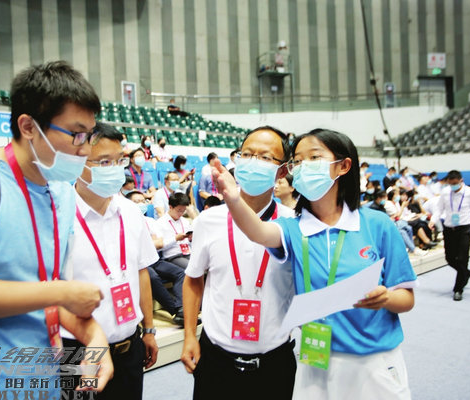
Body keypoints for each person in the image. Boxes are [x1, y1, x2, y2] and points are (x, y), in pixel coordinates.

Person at [0, 61, 113, 394]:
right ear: (28, 126)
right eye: (76, 135)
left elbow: (39, 293)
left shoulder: (60, 193)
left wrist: (92, 335)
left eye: (89, 136)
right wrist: (60, 292)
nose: (85, 149)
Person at [212, 128, 417, 399]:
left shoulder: (377, 224)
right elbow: (257, 231)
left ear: (343, 166)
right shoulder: (293, 227)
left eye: (314, 158)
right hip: (315, 359)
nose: (303, 166)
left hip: (372, 362)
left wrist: (386, 298)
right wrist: (233, 198)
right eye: (298, 161)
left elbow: (407, 298)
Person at [181, 126, 297, 400]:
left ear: (282, 170)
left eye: (265, 157)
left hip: (274, 363)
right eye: (247, 154)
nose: (254, 162)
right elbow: (193, 279)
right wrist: (189, 335)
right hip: (216, 359)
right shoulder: (209, 221)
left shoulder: (294, 223)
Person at [62, 123, 158, 399]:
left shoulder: (131, 212)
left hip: (130, 346)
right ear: (78, 162)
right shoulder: (59, 214)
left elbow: (141, 272)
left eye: (119, 161)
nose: (115, 169)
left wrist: (149, 329)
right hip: (78, 350)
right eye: (104, 162)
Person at [128, 190, 187, 326]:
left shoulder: (149, 221)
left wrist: (145, 243)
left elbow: (159, 243)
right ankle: (176, 311)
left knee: (180, 273)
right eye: (136, 201)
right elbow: (132, 247)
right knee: (153, 277)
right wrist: (150, 242)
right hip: (138, 262)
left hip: (154, 259)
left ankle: (181, 307)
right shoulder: (125, 223)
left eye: (143, 201)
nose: (141, 204)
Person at [431, 171, 470, 301]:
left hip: (464, 229)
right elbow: (439, 209)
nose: (453, 186)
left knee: (463, 258)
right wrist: (433, 220)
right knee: (450, 258)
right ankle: (466, 273)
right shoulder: (445, 192)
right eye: (450, 184)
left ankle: (458, 289)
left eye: (455, 184)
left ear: (461, 181)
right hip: (449, 229)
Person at [156, 193, 193, 269]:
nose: (181, 214)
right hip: (173, 256)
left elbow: (189, 242)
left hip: (188, 252)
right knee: (192, 268)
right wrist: (176, 239)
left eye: (183, 211)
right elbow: (160, 247)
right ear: (170, 207)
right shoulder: (160, 223)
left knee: (204, 265)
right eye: (179, 210)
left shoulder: (185, 221)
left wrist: (190, 239)